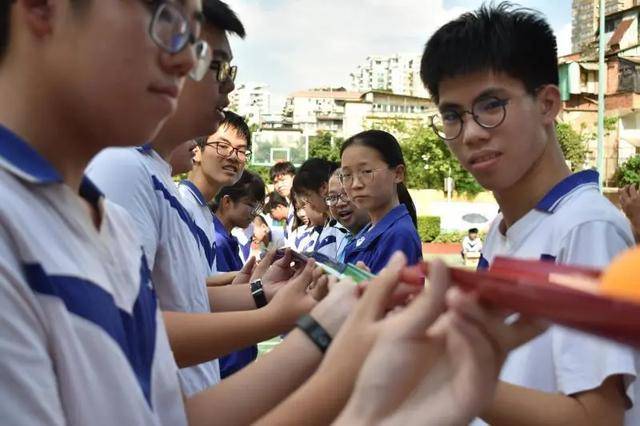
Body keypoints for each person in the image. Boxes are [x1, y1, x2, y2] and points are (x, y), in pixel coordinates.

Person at [86, 1, 319, 401]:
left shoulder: (150, 175)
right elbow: (125, 329)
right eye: (217, 66)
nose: (228, 86)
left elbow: (180, 298)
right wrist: (285, 319)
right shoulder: (121, 169)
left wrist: (262, 293)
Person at [421, 3, 639, 424]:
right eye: (452, 115)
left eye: (491, 105)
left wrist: (450, 371)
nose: (470, 133)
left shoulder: (586, 228)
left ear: (548, 104)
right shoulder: (502, 230)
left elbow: (597, 417)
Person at [0, 0, 203, 423]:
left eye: (192, 32)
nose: (184, 59)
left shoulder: (115, 225)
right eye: (164, 16)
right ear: (42, 8)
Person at [339, 130, 422, 273]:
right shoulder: (370, 229)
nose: (355, 184)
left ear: (398, 173)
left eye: (366, 171)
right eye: (347, 175)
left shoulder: (399, 235)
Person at [292, 158, 351, 260]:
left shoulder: (343, 225)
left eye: (308, 195)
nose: (308, 202)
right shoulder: (330, 225)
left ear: (324, 188)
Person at [326, 169, 370, 261]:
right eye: (333, 197)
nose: (339, 203)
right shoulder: (343, 239)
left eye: (346, 194)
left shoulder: (384, 239)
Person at [270, 161, 297, 239]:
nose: (279, 185)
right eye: (275, 182)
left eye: (283, 180)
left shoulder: (303, 203)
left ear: (294, 178)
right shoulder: (290, 205)